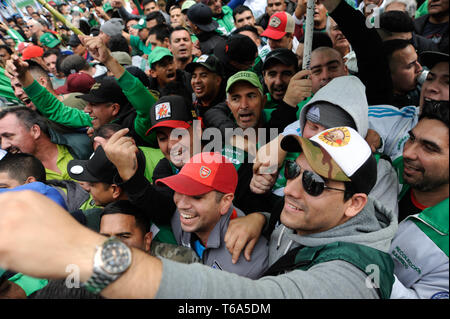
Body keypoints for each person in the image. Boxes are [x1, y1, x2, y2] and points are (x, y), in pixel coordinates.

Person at [0, 125, 397, 299]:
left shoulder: (355, 277)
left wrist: (88, 257)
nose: (291, 187)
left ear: (355, 204)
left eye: (311, 184)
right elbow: (280, 204)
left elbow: (261, 298)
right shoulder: (315, 213)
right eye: (294, 172)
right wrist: (263, 215)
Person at [155, 152, 269, 278]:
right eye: (179, 190)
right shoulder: (179, 215)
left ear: (225, 202)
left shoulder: (247, 264)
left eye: (196, 197)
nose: (182, 205)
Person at [389, 103, 449, 299]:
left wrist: (367, 261)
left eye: (429, 148)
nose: (407, 153)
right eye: (411, 139)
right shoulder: (389, 170)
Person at [0, 107, 92, 181]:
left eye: (8, 136)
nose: (4, 146)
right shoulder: (13, 176)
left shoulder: (83, 144)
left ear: (35, 131)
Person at [100, 200, 200, 264]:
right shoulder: (94, 266)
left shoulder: (179, 262)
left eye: (123, 236)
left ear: (147, 240)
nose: (112, 245)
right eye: (105, 237)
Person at [382, 39, 423, 108]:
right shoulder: (381, 108)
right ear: (388, 73)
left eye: (417, 60)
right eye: (410, 66)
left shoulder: (423, 88)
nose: (419, 68)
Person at [185, 54, 225, 120]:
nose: (197, 81)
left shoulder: (230, 106)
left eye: (203, 76)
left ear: (218, 80)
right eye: (194, 76)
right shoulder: (190, 104)